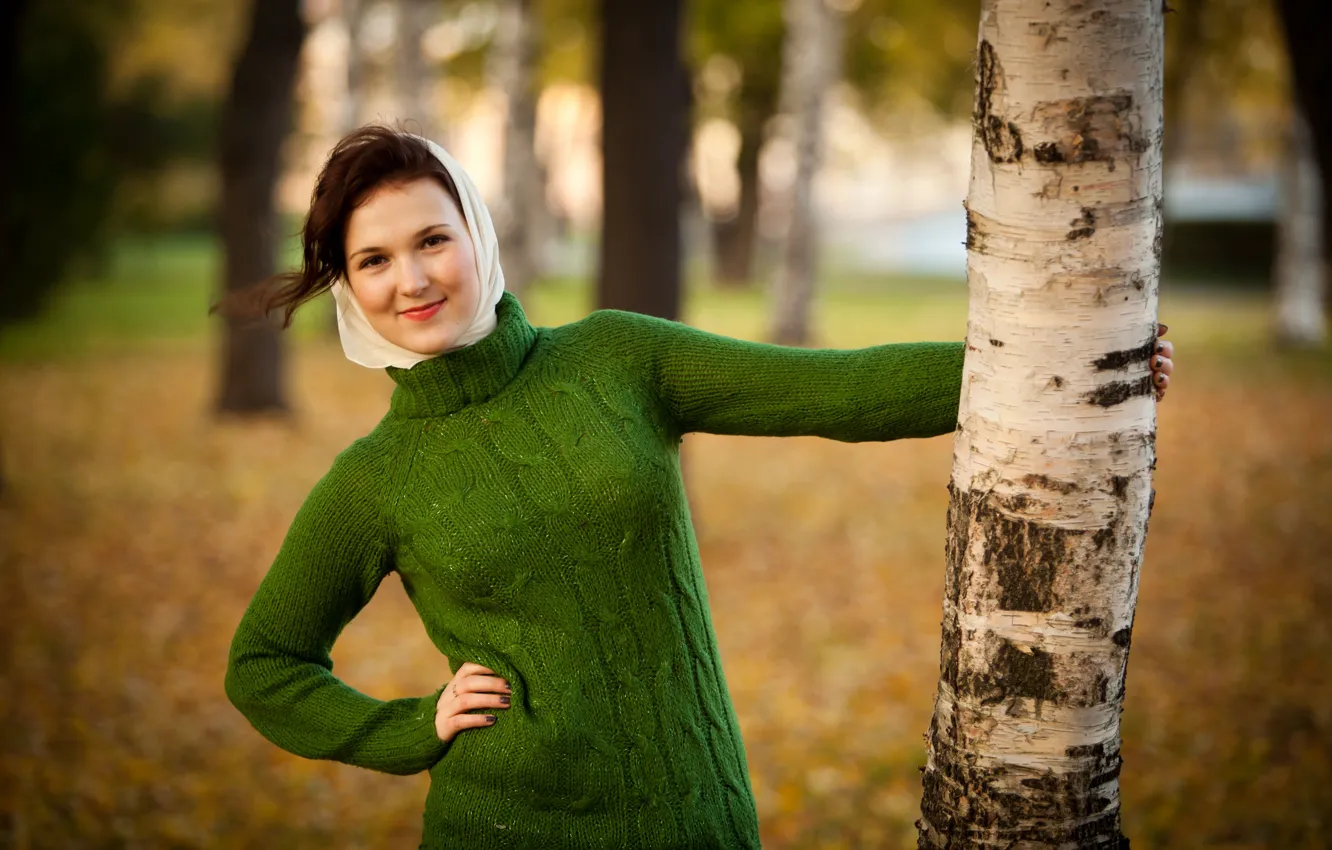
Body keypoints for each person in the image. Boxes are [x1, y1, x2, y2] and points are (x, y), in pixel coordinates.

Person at [222, 126, 1175, 849]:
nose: (412, 279)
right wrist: (408, 727)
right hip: (505, 823)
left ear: (476, 233)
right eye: (373, 260)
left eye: (432, 239)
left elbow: (832, 390)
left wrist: (1062, 365)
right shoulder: (375, 479)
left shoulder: (618, 358)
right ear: (349, 288)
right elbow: (266, 662)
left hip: (695, 803)